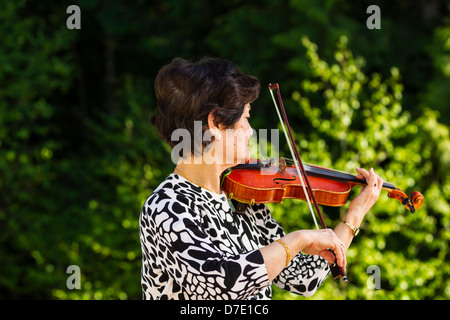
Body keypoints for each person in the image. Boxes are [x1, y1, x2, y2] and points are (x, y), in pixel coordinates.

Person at [139, 57, 383, 300]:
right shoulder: (166, 207)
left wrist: (355, 214)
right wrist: (299, 238)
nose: (251, 131)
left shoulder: (241, 199)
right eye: (246, 118)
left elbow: (304, 277)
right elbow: (223, 288)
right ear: (215, 123)